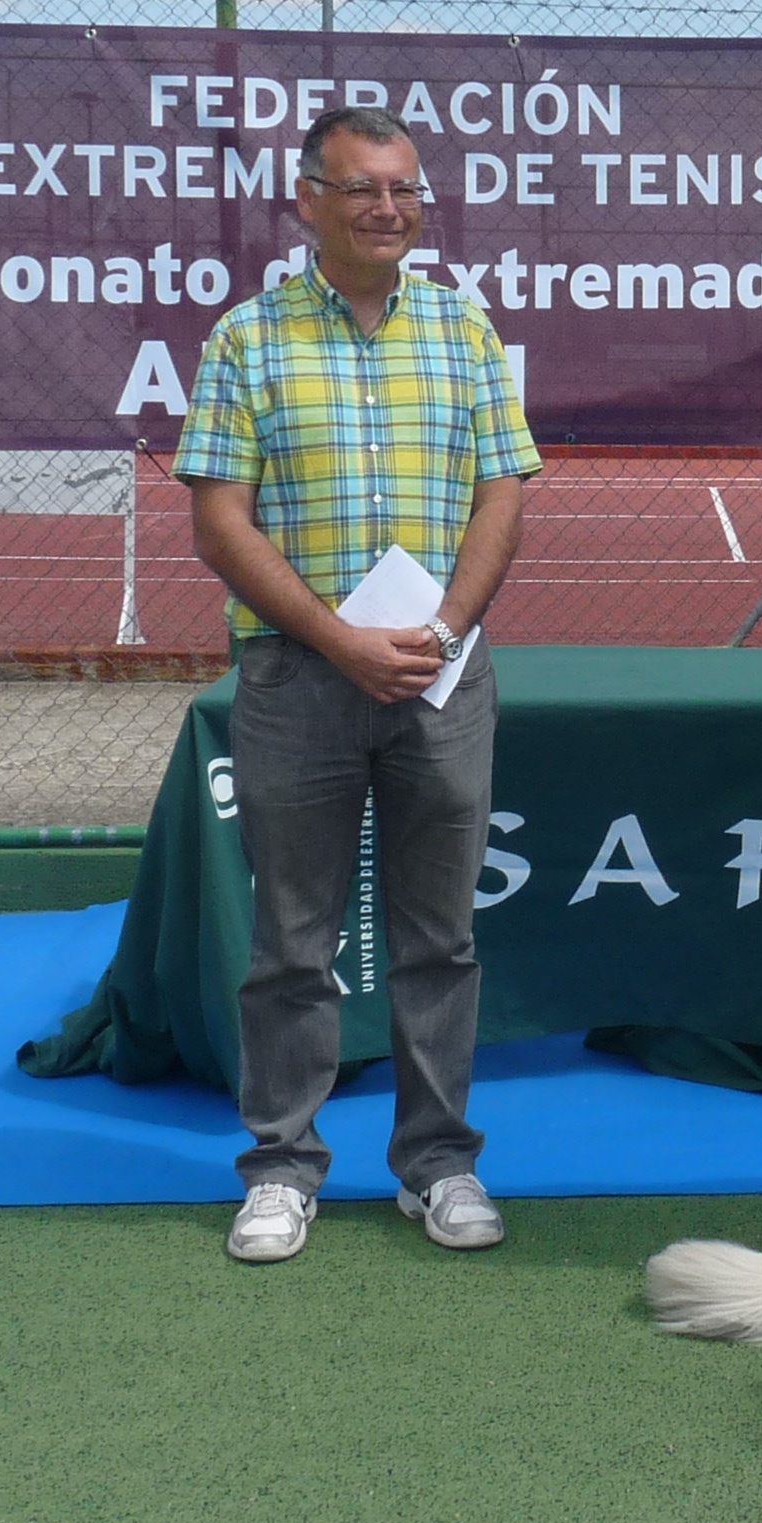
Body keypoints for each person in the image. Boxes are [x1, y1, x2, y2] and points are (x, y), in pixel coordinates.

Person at [180, 106, 540, 1265]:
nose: (389, 208)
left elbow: (503, 492)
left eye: (405, 188)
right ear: (309, 201)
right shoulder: (247, 338)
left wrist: (443, 627)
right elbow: (219, 521)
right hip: (299, 682)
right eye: (362, 188)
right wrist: (340, 641)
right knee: (293, 941)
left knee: (441, 939)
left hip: (442, 678)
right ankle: (282, 1168)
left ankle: (438, 1164)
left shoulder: (464, 330)